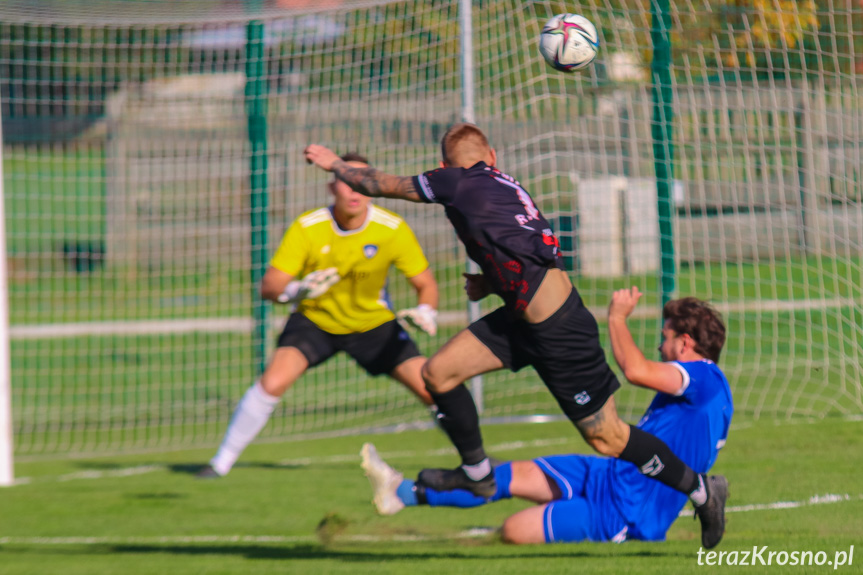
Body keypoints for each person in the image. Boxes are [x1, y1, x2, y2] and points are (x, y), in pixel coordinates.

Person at [304, 126, 728, 548]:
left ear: (445, 166)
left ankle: (701, 491)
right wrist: (491, 284)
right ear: (492, 154)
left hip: (562, 332)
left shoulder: (459, 180)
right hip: (522, 319)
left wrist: (335, 165)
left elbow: (381, 184)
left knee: (608, 437)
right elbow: (528, 256)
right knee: (437, 374)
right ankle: (477, 474)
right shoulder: (506, 185)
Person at [361, 292, 732, 546]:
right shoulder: (710, 390)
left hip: (626, 511)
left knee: (513, 531)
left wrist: (617, 317)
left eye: (664, 338)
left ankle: (407, 496)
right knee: (507, 476)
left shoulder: (704, 379)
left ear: (685, 344)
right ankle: (399, 493)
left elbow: (635, 370)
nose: (659, 346)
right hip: (606, 474)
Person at [197, 152, 439, 478]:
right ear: (331, 187)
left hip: (373, 324)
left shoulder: (391, 228)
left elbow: (426, 284)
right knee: (272, 382)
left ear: (374, 187)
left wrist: (426, 310)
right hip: (315, 320)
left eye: (362, 182)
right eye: (347, 182)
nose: (355, 190)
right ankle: (220, 463)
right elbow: (269, 287)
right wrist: (297, 290)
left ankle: (476, 463)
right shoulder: (309, 227)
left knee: (432, 387)